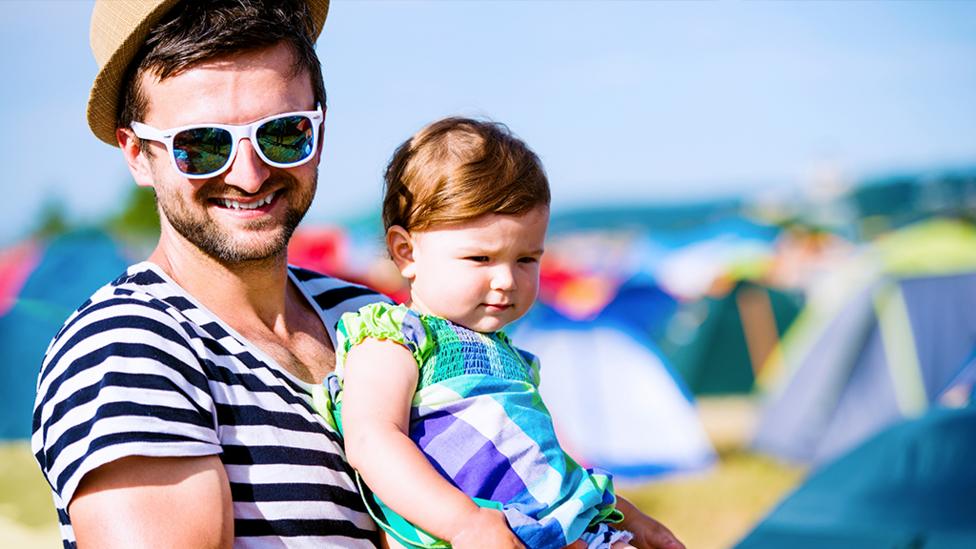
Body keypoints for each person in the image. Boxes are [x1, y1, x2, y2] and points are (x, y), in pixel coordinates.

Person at [31, 1, 685, 548]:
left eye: (283, 133)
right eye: (203, 146)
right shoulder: (127, 352)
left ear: (320, 124)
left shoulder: (363, 312)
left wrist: (612, 517)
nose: (250, 173)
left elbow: (496, 455)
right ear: (137, 154)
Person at [324, 117, 636, 549]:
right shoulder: (394, 337)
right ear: (406, 251)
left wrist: (628, 515)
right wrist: (465, 523)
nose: (507, 279)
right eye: (480, 258)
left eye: (527, 259)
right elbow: (372, 438)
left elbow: (537, 461)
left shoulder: (508, 355)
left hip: (556, 530)